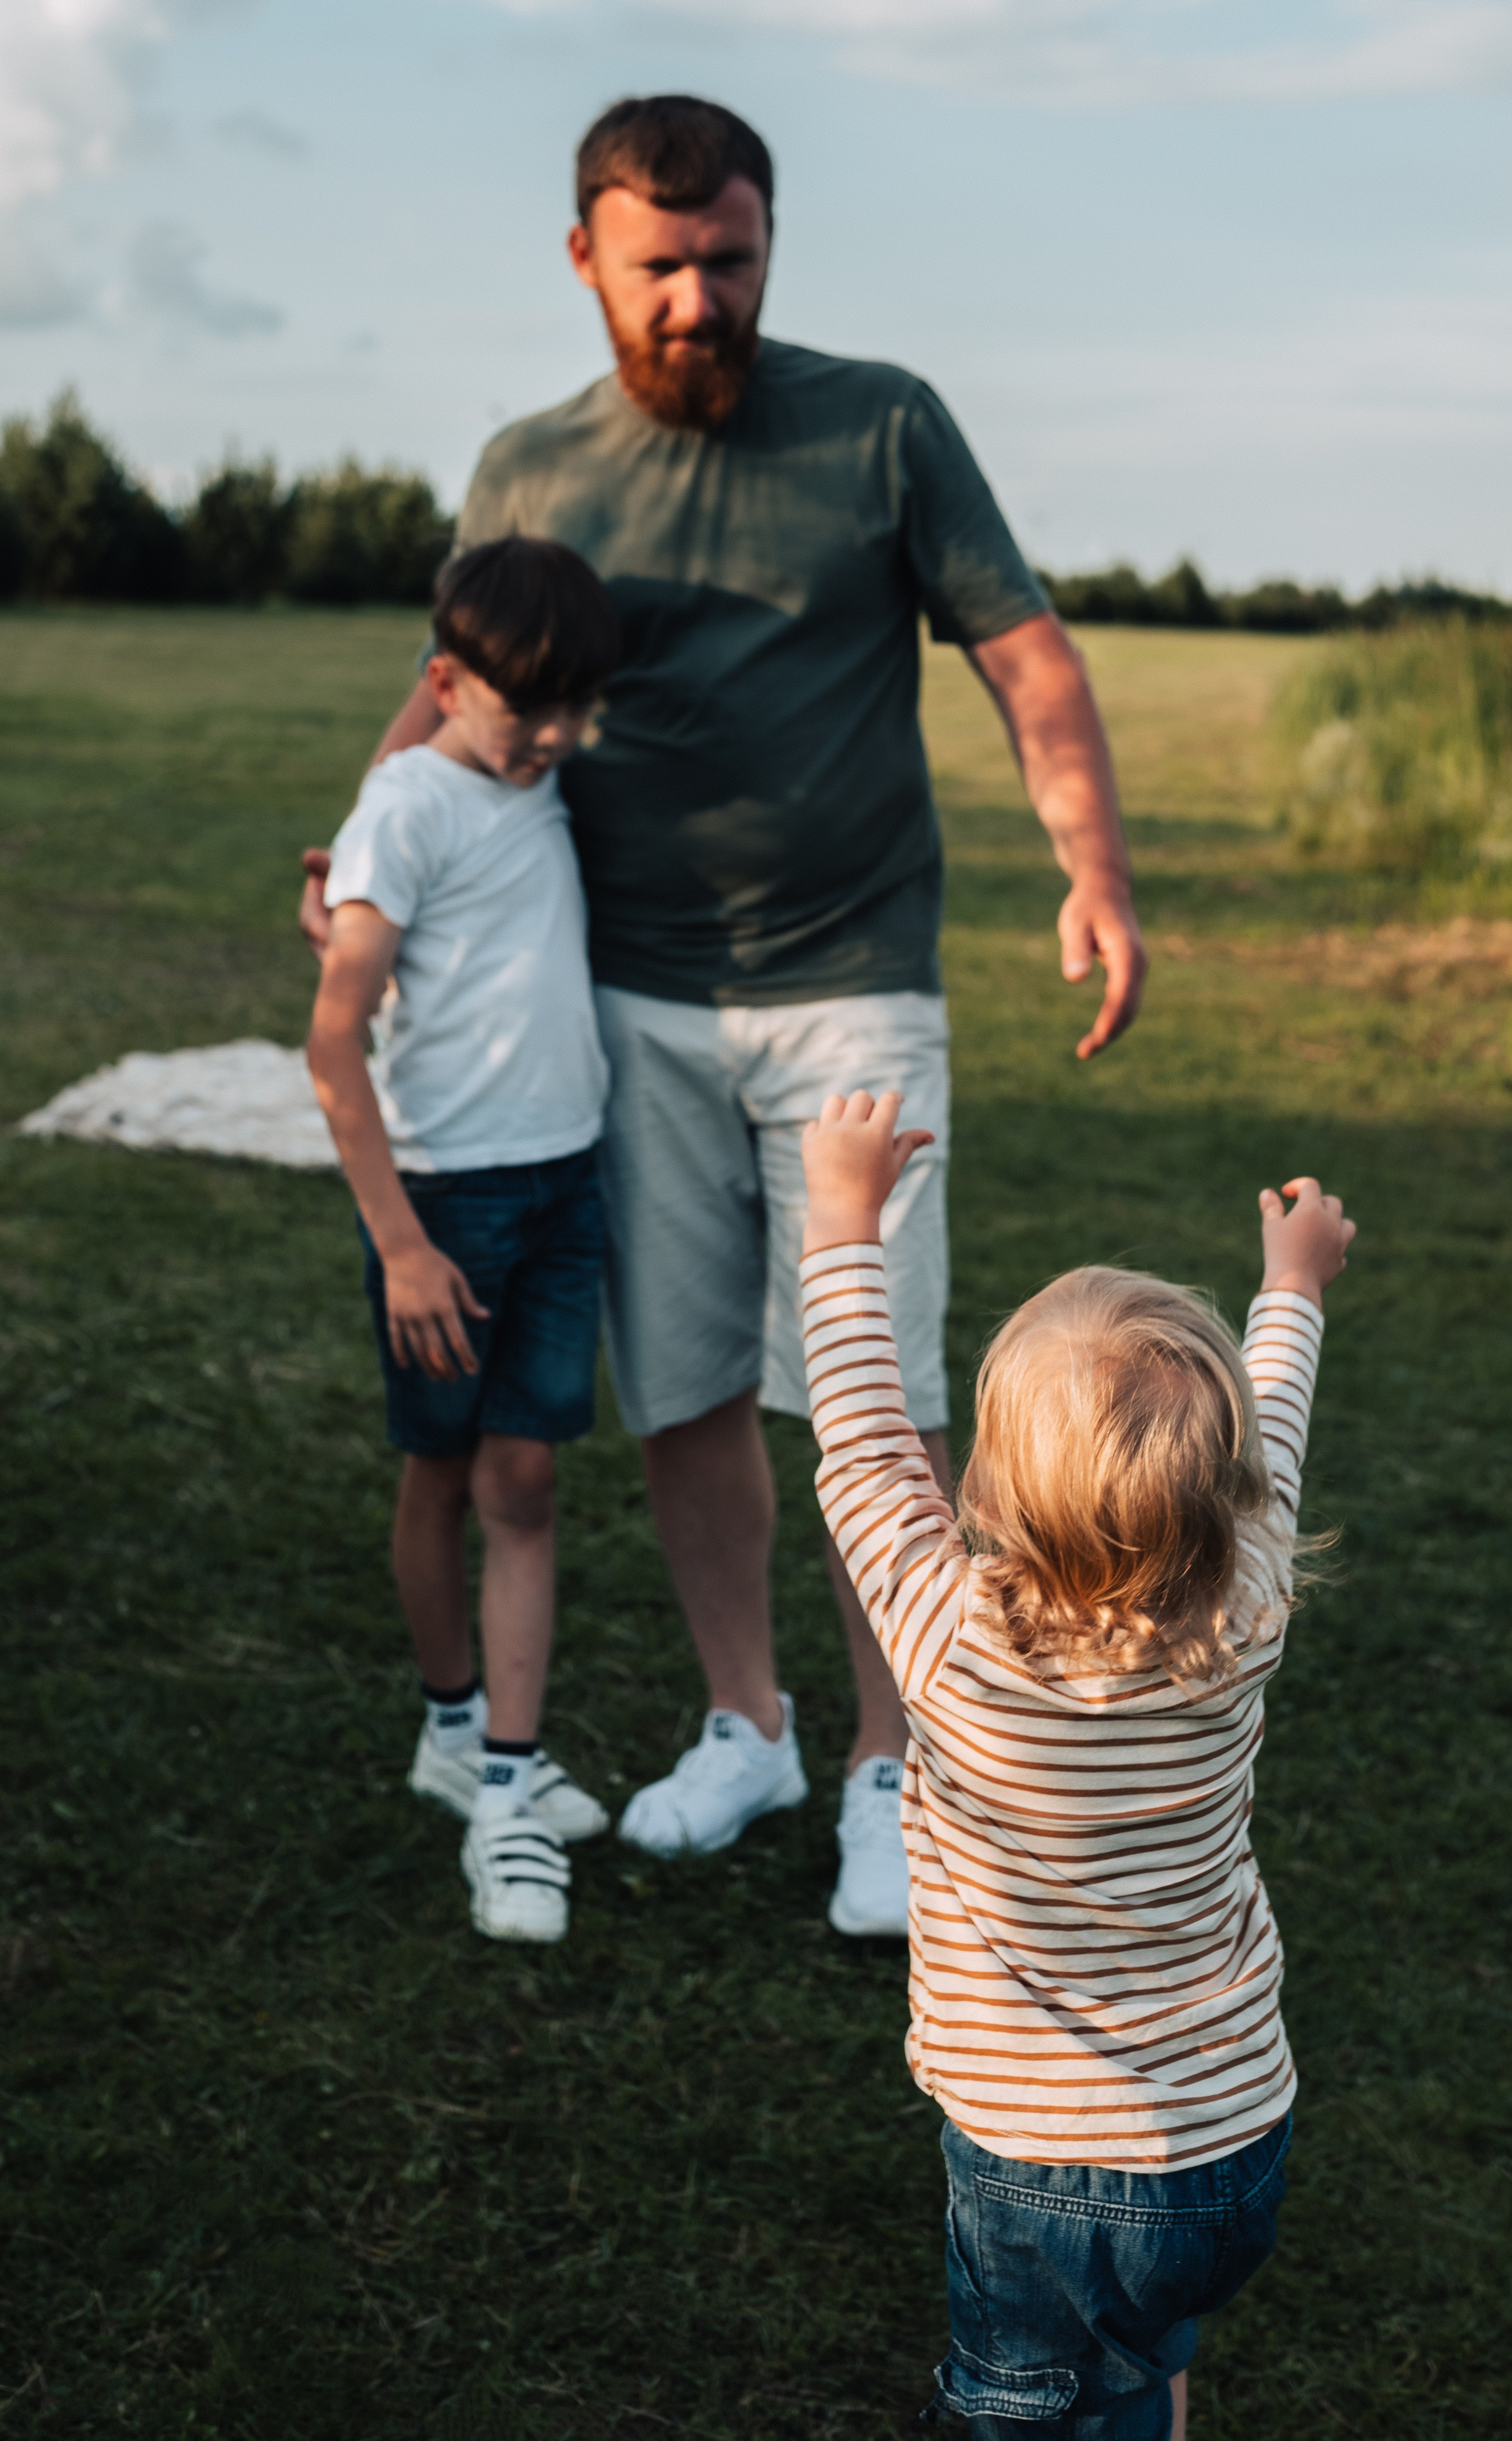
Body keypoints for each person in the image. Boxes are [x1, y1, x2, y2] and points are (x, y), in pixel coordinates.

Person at [301, 93, 1148, 1939]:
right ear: (588, 259)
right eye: (662, 264)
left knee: (878, 1401)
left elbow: (1025, 650)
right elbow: (448, 696)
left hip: (854, 995)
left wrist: (1093, 869)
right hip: (627, 1005)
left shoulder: (885, 422)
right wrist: (359, 855)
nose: (700, 298)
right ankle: (746, 1724)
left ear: (772, 248)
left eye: (732, 260)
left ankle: (888, 1772)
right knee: (684, 1382)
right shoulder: (533, 463)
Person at [796, 1091, 1354, 2439]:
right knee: (1144, 2348)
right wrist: (1291, 1284)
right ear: (1223, 1498)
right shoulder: (1246, 1611)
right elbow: (1269, 1431)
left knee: (1027, 2408)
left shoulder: (945, 1638)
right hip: (1231, 2140)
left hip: (1034, 2160)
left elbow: (863, 1436)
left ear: (993, 1475)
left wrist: (839, 1217)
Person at [306, 536, 622, 1945]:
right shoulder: (411, 809)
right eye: (530, 711)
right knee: (441, 1474)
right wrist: (404, 1245)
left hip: (565, 1186)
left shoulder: (525, 773)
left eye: (576, 711)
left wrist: (519, 739)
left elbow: (498, 728)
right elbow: (332, 1044)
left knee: (527, 1475)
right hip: (445, 1211)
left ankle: (504, 1766)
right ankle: (464, 1744)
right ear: (445, 684)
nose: (558, 738)